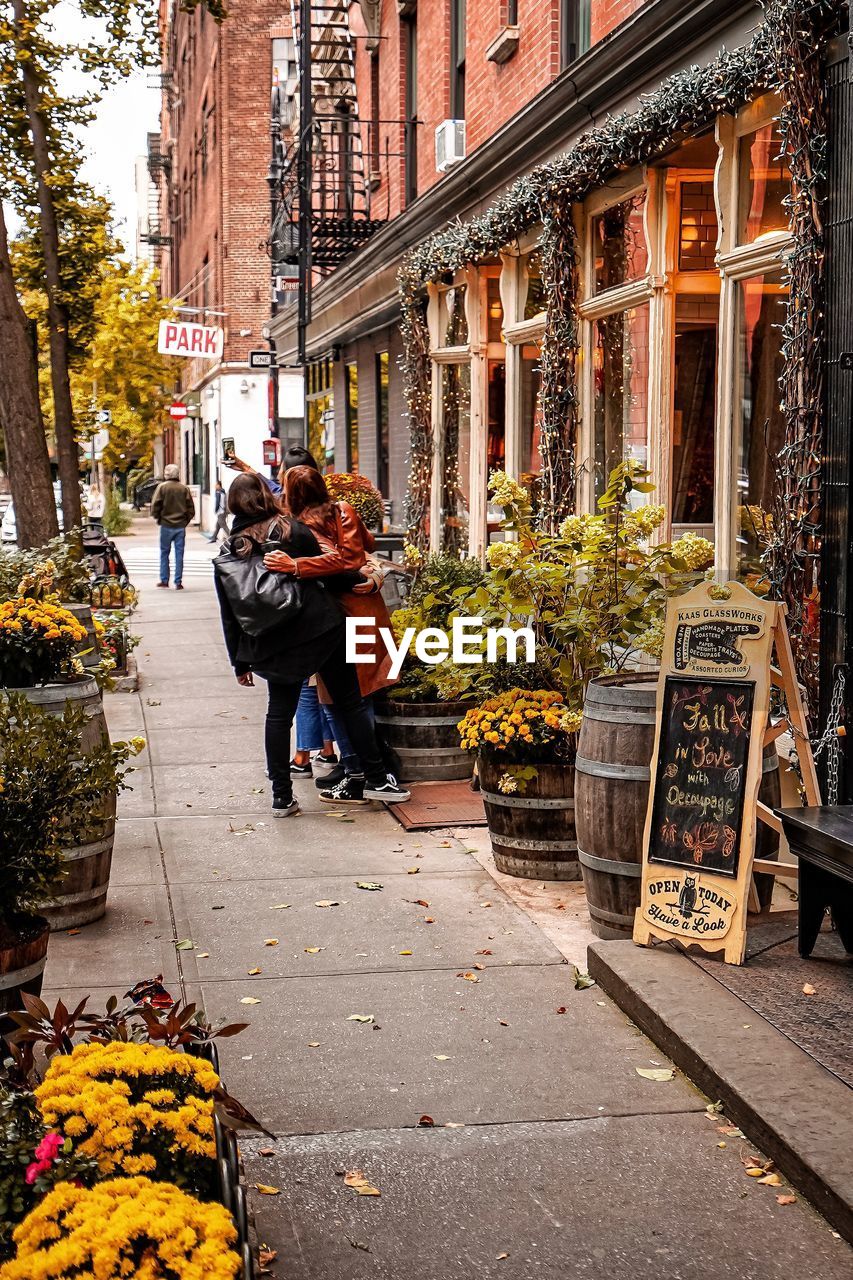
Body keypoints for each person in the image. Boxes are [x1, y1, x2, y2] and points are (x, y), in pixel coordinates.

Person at [214, 473, 409, 815]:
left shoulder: (230, 552)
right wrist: (368, 578)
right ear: (267, 496)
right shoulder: (292, 530)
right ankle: (378, 779)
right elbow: (333, 569)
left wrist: (239, 662)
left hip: (273, 643)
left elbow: (230, 612)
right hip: (322, 631)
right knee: (349, 703)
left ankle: (281, 797)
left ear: (232, 504)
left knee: (278, 715)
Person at [265, 465, 397, 804]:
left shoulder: (300, 529)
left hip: (338, 612)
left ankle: (359, 772)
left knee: (340, 700)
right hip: (368, 606)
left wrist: (297, 566)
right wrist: (370, 571)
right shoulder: (344, 510)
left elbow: (338, 564)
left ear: (291, 494)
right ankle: (367, 771)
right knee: (358, 695)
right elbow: (366, 544)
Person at [151, 463, 195, 589]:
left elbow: (155, 505)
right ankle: (178, 581)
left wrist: (158, 518)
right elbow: (191, 508)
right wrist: (185, 521)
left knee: (164, 553)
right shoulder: (183, 488)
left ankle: (164, 580)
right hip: (180, 526)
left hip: (166, 525)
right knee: (179, 555)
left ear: (167, 474)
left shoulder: (162, 488)